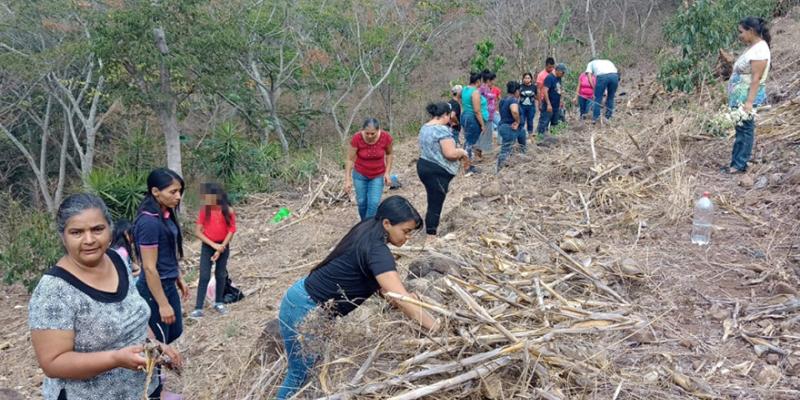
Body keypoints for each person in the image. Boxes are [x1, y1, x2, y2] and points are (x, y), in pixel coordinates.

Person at [276, 196, 439, 399]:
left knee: (312, 368)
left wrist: (402, 297)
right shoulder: (378, 250)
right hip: (304, 308)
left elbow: (388, 290)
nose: (408, 238)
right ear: (387, 223)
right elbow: (401, 299)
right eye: (405, 231)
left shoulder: (367, 229)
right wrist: (438, 330)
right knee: (298, 376)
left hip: (303, 299)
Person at [29, 193, 182, 400]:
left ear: (110, 229)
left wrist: (154, 347)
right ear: (62, 236)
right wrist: (115, 359)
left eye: (97, 229)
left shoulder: (116, 259)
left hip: (142, 390)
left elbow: (133, 313)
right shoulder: (54, 290)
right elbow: (53, 363)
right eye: (77, 232)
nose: (89, 240)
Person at [134, 168, 189, 346]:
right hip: (153, 289)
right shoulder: (148, 222)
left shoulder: (165, 214)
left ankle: (157, 370)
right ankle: (153, 373)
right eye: (173, 192)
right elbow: (149, 268)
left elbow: (168, 251)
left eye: (179, 191)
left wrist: (177, 276)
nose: (178, 196)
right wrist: (162, 304)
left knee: (174, 331)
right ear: (155, 192)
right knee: (157, 341)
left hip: (168, 282)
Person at [417, 102, 469, 240]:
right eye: (449, 115)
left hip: (424, 165)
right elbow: (450, 153)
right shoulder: (441, 130)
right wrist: (462, 151)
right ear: (445, 114)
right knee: (435, 203)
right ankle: (431, 236)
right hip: (437, 170)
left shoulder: (425, 127)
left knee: (432, 200)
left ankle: (430, 231)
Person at [726, 17, 771, 174]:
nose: (740, 35)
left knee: (745, 130)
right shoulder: (755, 47)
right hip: (741, 95)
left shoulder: (760, 51)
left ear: (750, 31)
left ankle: (739, 165)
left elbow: (756, 79)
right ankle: (735, 163)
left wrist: (749, 103)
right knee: (741, 129)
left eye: (741, 32)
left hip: (747, 97)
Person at [190, 182, 236, 319]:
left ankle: (219, 302)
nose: (204, 198)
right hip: (208, 246)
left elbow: (231, 230)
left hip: (223, 246)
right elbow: (198, 232)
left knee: (220, 274)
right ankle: (198, 307)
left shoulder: (228, 210)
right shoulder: (205, 211)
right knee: (204, 275)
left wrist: (221, 247)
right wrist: (214, 246)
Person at [344, 118, 394, 220]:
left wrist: (387, 173)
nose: (370, 136)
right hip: (360, 174)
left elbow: (389, 154)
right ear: (363, 130)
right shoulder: (357, 138)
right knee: (362, 202)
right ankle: (365, 223)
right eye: (367, 133)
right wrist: (347, 180)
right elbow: (350, 159)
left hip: (378, 174)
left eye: (373, 133)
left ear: (378, 130)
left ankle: (367, 227)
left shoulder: (386, 137)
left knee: (374, 203)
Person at [460, 71, 487, 172]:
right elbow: (477, 110)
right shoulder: (475, 92)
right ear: (477, 81)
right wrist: (482, 124)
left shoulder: (464, 89)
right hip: (472, 118)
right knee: (471, 143)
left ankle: (465, 161)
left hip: (465, 116)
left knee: (468, 141)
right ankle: (468, 166)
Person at [497, 81, 524, 173]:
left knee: (509, 148)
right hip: (509, 127)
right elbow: (515, 111)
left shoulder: (503, 100)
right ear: (516, 91)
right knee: (505, 150)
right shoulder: (512, 100)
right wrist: (517, 121)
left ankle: (507, 168)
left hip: (503, 126)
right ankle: (500, 171)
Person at [585, 58, 620, 123]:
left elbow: (589, 75)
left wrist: (593, 87)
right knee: (610, 97)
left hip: (602, 77)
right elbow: (615, 73)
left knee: (597, 98)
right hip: (615, 76)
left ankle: (596, 118)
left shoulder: (590, 63)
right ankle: (608, 116)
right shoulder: (608, 61)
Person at [538, 63, 567, 142]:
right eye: (562, 72)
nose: (563, 74)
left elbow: (558, 89)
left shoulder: (559, 78)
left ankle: (552, 140)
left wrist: (561, 99)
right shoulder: (549, 78)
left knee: (555, 123)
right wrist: (548, 104)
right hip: (548, 105)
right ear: (557, 71)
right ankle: (540, 139)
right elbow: (545, 91)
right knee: (544, 122)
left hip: (556, 105)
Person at [112, 218, 141, 283]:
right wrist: (139, 272)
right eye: (132, 233)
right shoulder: (122, 252)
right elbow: (123, 276)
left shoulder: (115, 249)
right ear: (126, 234)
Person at [477, 70, 499, 155]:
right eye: (493, 80)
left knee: (487, 132)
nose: (494, 82)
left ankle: (482, 150)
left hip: (490, 114)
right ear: (489, 80)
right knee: (484, 133)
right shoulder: (482, 88)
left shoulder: (487, 88)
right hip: (485, 114)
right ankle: (479, 150)